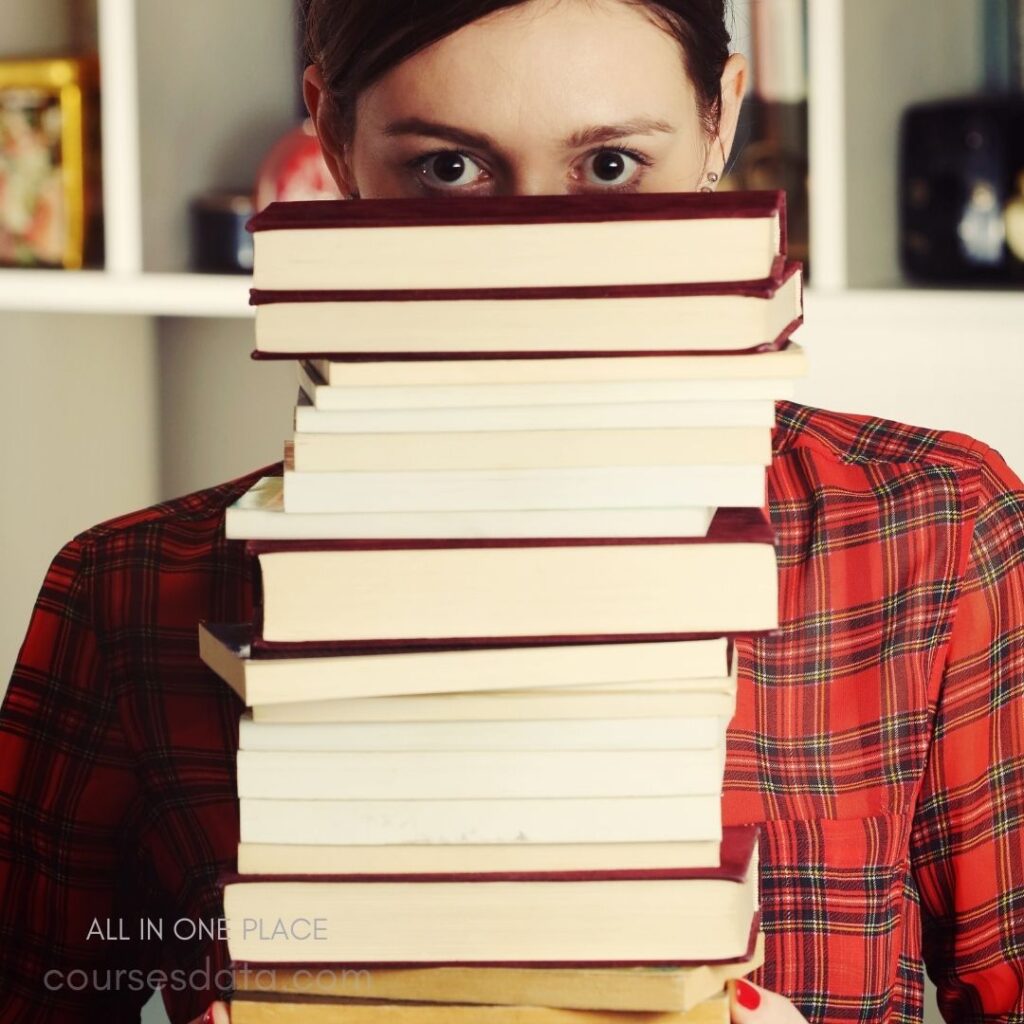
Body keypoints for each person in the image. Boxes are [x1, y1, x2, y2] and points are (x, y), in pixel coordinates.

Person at [1, 1, 1022, 1021]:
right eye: (449, 168)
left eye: (612, 167)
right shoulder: (129, 594)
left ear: (719, 121)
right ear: (336, 140)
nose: (539, 250)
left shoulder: (934, 537)